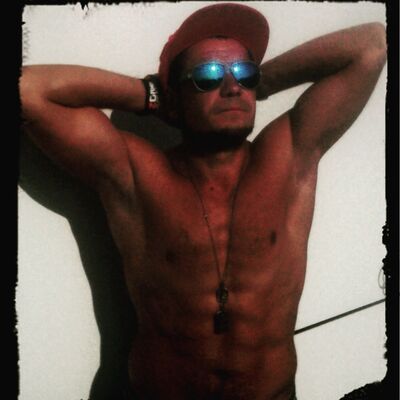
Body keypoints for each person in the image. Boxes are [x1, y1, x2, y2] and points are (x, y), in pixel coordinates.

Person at [19, 3, 387, 400]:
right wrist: (150, 95)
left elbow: (372, 44)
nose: (232, 88)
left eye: (243, 73)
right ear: (176, 97)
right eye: (208, 76)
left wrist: (261, 84)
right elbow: (26, 90)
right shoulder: (138, 174)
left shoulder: (288, 156)